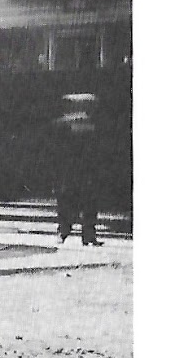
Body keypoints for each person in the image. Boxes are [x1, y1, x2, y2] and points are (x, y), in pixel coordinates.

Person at [53, 93, 104, 247]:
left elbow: (56, 148)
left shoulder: (61, 123)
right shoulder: (93, 125)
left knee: (67, 201)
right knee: (87, 202)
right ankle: (87, 234)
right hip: (85, 169)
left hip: (70, 168)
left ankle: (64, 231)